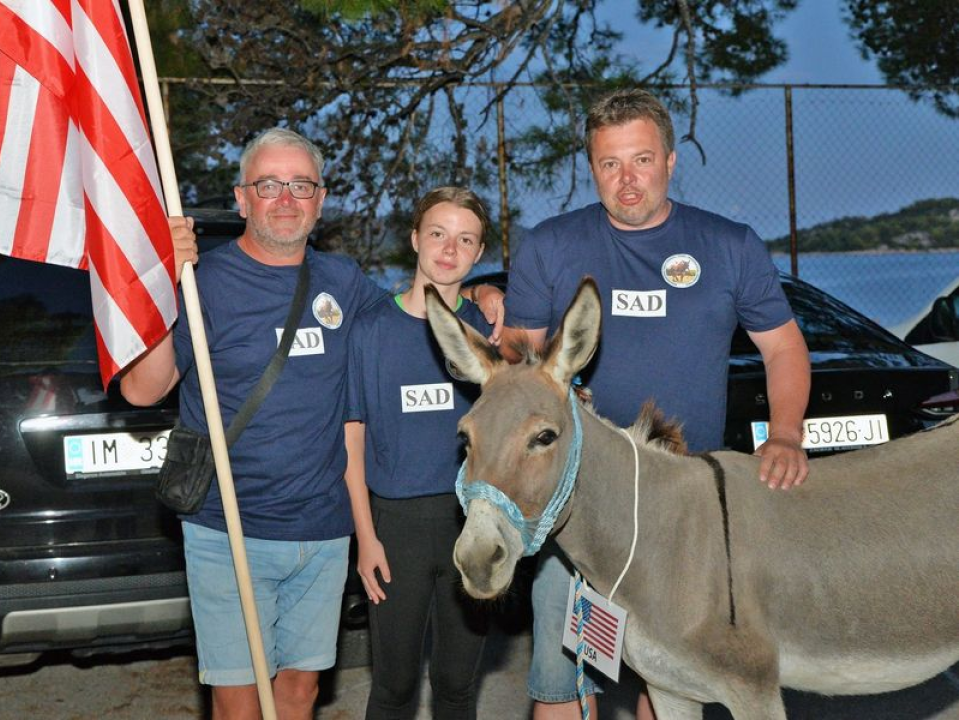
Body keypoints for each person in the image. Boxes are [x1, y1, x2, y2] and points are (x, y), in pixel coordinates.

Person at [120, 129, 504, 720]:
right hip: (229, 528)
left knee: (299, 694)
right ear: (242, 197)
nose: (285, 198)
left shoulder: (343, 281)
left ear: (320, 200)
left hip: (322, 532)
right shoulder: (206, 283)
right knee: (239, 704)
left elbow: (415, 308)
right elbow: (142, 389)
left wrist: (481, 292)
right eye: (268, 185)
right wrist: (160, 282)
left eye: (300, 185)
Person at [501, 88, 811, 719]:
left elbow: (784, 349)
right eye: (609, 164)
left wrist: (784, 435)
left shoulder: (728, 244)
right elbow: (517, 363)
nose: (627, 179)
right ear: (591, 168)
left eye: (641, 160)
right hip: (575, 503)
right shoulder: (549, 247)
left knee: (673, 677)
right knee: (563, 680)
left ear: (671, 160)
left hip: (686, 507)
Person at [344, 187, 494, 719]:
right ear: (414, 240)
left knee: (456, 685)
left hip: (470, 523)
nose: (449, 249)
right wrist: (366, 539)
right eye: (437, 233)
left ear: (478, 255)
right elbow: (352, 443)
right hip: (395, 527)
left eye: (465, 239)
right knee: (394, 685)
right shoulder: (370, 331)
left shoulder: (487, 334)